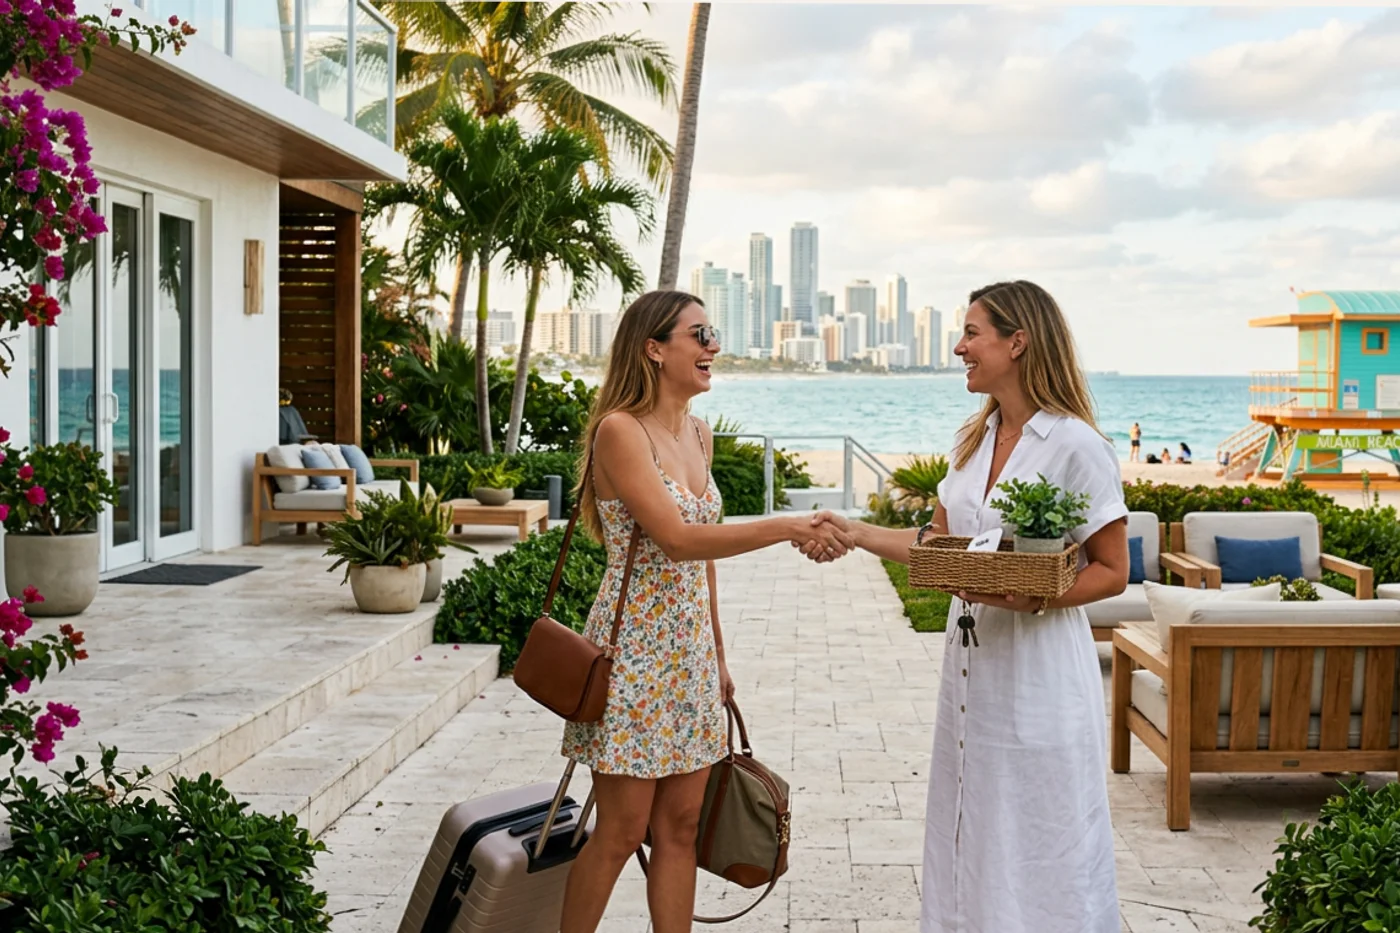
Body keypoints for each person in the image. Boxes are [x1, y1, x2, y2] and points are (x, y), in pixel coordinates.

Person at [806, 280, 1129, 933]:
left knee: (1043, 827)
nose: (959, 347)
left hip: (1039, 670)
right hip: (969, 674)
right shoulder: (974, 443)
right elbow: (939, 545)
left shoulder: (1075, 445)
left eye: (972, 333)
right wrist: (855, 531)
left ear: (1017, 340)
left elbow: (1114, 570)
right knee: (974, 824)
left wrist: (1035, 591)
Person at [557, 290, 854, 933]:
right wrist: (783, 527)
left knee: (682, 827)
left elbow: (703, 564)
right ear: (654, 349)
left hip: (687, 650)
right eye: (700, 334)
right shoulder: (620, 431)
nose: (713, 345)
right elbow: (679, 539)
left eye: (711, 333)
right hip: (632, 648)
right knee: (621, 830)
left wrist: (717, 653)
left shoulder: (698, 431)